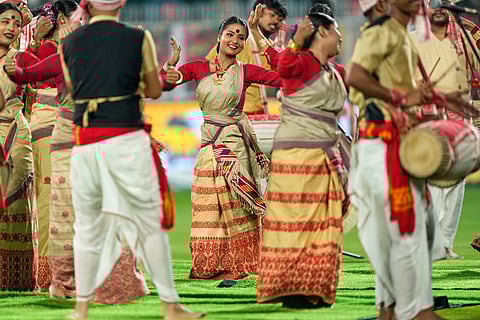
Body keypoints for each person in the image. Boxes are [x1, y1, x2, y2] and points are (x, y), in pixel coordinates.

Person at [60, 0, 205, 318]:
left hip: (85, 142)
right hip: (125, 138)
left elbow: (72, 89)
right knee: (148, 225)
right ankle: (171, 306)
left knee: (87, 227)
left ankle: (80, 309)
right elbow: (154, 90)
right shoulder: (138, 38)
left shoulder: (68, 41)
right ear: (121, 3)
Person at [5, 25, 151, 304]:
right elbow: (27, 76)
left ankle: (104, 279)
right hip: (60, 139)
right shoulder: (59, 56)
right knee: (63, 209)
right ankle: (64, 281)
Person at [345, 0, 458, 318]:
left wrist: (428, 103)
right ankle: (418, 310)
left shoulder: (402, 34)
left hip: (396, 139)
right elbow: (355, 76)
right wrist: (401, 97)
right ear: (384, 3)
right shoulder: (381, 32)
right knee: (405, 228)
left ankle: (390, 307)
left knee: (411, 229)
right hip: (382, 144)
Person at [162, 16, 281, 288]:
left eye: (241, 37)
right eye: (230, 34)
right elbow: (166, 83)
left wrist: (275, 53)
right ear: (219, 37)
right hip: (207, 147)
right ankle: (210, 266)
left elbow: (282, 80)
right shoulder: (197, 68)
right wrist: (170, 65)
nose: (235, 41)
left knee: (237, 206)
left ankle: (239, 267)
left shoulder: (247, 71)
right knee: (207, 209)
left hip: (234, 145)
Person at [253, 4, 348, 308]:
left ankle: (315, 287)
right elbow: (283, 67)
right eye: (336, 31)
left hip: (325, 152)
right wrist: (295, 41)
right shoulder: (300, 62)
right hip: (297, 157)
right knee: (293, 223)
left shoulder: (334, 71)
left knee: (323, 223)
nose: (341, 38)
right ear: (321, 32)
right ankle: (291, 288)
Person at [413, 0, 480, 259]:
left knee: (457, 182)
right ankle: (430, 243)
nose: (441, 7)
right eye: (434, 2)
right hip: (430, 116)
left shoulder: (468, 31)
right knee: (434, 181)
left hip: (461, 113)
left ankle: (444, 244)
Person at [26, 0, 79, 291]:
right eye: (78, 19)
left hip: (72, 129)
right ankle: (49, 273)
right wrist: (34, 40)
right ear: (61, 19)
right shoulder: (45, 50)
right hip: (48, 127)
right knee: (50, 197)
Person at [0, 2, 40, 291]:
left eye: (15, 22)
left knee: (15, 202)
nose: (10, 27)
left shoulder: (23, 59)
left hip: (16, 133)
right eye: (4, 21)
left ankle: (16, 277)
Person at [204, 0, 287, 115]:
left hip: (259, 112)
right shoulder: (240, 41)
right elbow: (207, 67)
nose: (275, 21)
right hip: (236, 113)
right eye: (272, 15)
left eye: (280, 19)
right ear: (256, 14)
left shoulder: (271, 47)